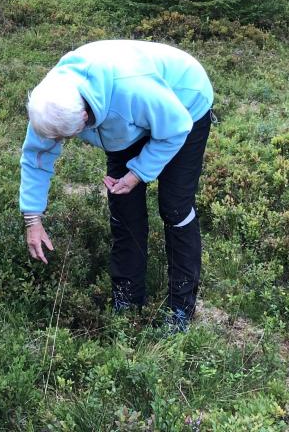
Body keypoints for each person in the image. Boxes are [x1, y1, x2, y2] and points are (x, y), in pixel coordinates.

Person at [20, 40, 214, 331]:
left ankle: (180, 309)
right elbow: (37, 156)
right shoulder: (51, 102)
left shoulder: (133, 91)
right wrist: (32, 219)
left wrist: (137, 173)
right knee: (123, 205)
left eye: (66, 138)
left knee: (174, 207)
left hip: (184, 102)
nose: (58, 143)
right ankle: (128, 301)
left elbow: (176, 128)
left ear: (84, 117)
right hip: (124, 118)